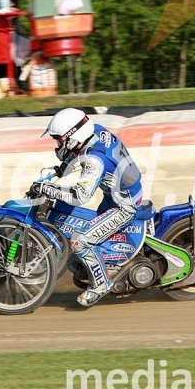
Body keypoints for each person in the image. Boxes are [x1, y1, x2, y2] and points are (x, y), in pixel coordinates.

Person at [30, 108, 162, 307]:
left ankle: (101, 284)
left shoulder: (94, 160)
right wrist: (60, 170)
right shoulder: (95, 131)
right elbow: (78, 154)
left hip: (123, 207)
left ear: (72, 136)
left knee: (80, 241)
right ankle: (104, 264)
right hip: (117, 196)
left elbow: (80, 196)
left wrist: (47, 188)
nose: (58, 144)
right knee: (84, 236)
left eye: (59, 139)